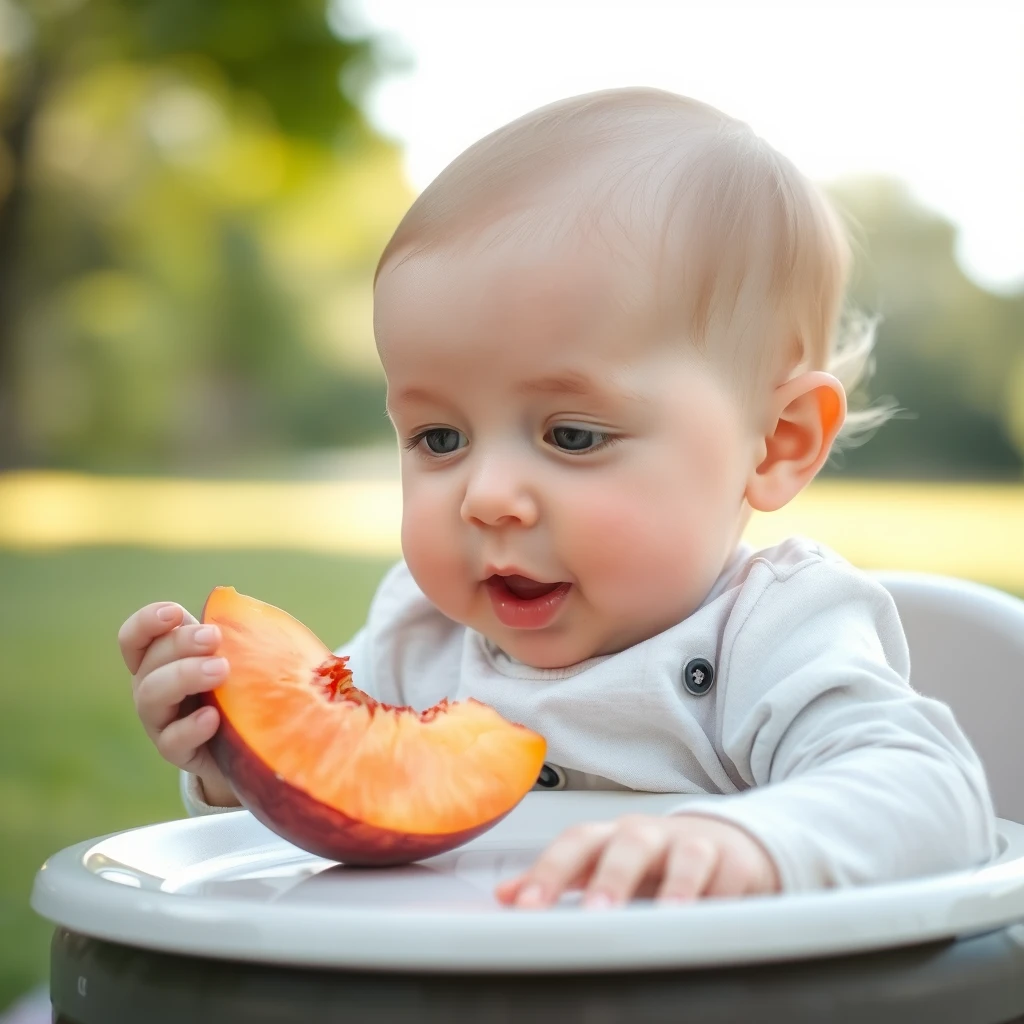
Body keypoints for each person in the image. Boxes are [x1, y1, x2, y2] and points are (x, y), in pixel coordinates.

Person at [118, 88, 996, 910]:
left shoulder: (773, 635)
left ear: (777, 442)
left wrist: (755, 841)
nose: (488, 497)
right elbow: (331, 795)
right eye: (439, 439)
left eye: (571, 435)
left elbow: (933, 791)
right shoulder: (419, 639)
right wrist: (229, 762)